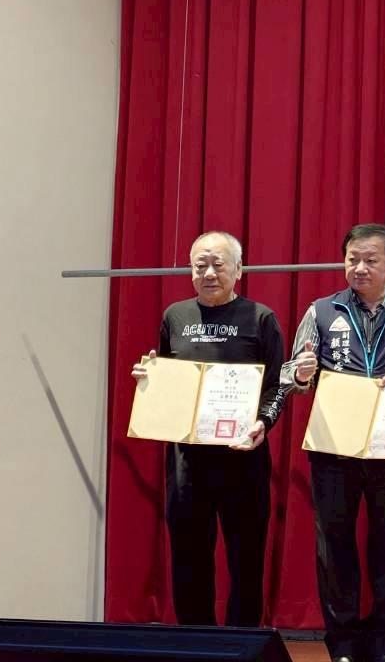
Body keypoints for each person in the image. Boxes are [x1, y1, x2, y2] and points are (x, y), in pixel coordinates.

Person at [282, 223, 385, 662]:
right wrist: (301, 373)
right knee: (334, 544)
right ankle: (343, 640)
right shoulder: (321, 311)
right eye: (353, 259)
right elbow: (291, 374)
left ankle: (383, 638)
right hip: (334, 445)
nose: (360, 268)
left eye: (370, 260)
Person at [130, 230, 287, 627]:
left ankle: (241, 644)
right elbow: (168, 379)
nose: (209, 273)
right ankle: (195, 642)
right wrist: (150, 379)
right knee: (188, 558)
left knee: (246, 560)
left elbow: (278, 385)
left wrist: (263, 422)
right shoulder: (175, 316)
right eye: (200, 265)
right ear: (190, 271)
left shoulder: (261, 318)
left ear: (239, 270)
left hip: (243, 458)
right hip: (188, 462)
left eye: (219, 264)